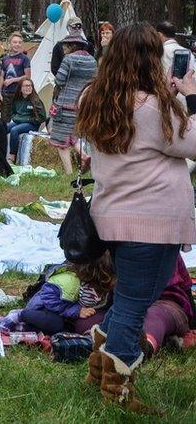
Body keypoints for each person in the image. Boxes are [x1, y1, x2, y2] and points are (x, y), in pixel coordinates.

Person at [76, 22, 195, 412]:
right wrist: (190, 98)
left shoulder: (94, 98)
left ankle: (98, 365)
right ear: (150, 60)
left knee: (129, 296)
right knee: (134, 303)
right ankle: (118, 390)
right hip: (152, 220)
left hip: (112, 214)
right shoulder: (156, 107)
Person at [18, 254, 115, 336]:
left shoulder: (103, 284)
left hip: (69, 314)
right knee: (56, 324)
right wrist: (75, 310)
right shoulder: (69, 281)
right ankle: (20, 315)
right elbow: (47, 296)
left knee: (68, 330)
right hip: (48, 308)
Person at [49, 36, 97, 173]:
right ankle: (85, 155)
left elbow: (59, 80)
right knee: (74, 135)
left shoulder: (69, 59)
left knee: (60, 141)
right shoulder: (92, 60)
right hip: (83, 103)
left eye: (65, 45)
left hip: (64, 105)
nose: (63, 48)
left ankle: (69, 172)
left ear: (72, 46)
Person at [7, 79, 46, 162]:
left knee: (14, 130)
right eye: (26, 86)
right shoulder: (17, 99)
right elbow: (12, 113)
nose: (28, 87)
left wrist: (27, 119)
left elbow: (42, 117)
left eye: (30, 85)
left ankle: (12, 155)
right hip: (18, 122)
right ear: (20, 88)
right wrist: (17, 118)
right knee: (3, 127)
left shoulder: (36, 101)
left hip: (32, 124)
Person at [0, 32, 32, 122]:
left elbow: (27, 76)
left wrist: (13, 80)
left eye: (19, 42)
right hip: (6, 93)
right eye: (15, 42)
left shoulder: (24, 59)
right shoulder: (5, 59)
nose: (17, 44)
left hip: (19, 93)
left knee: (18, 118)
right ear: (10, 43)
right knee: (4, 119)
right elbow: (2, 76)